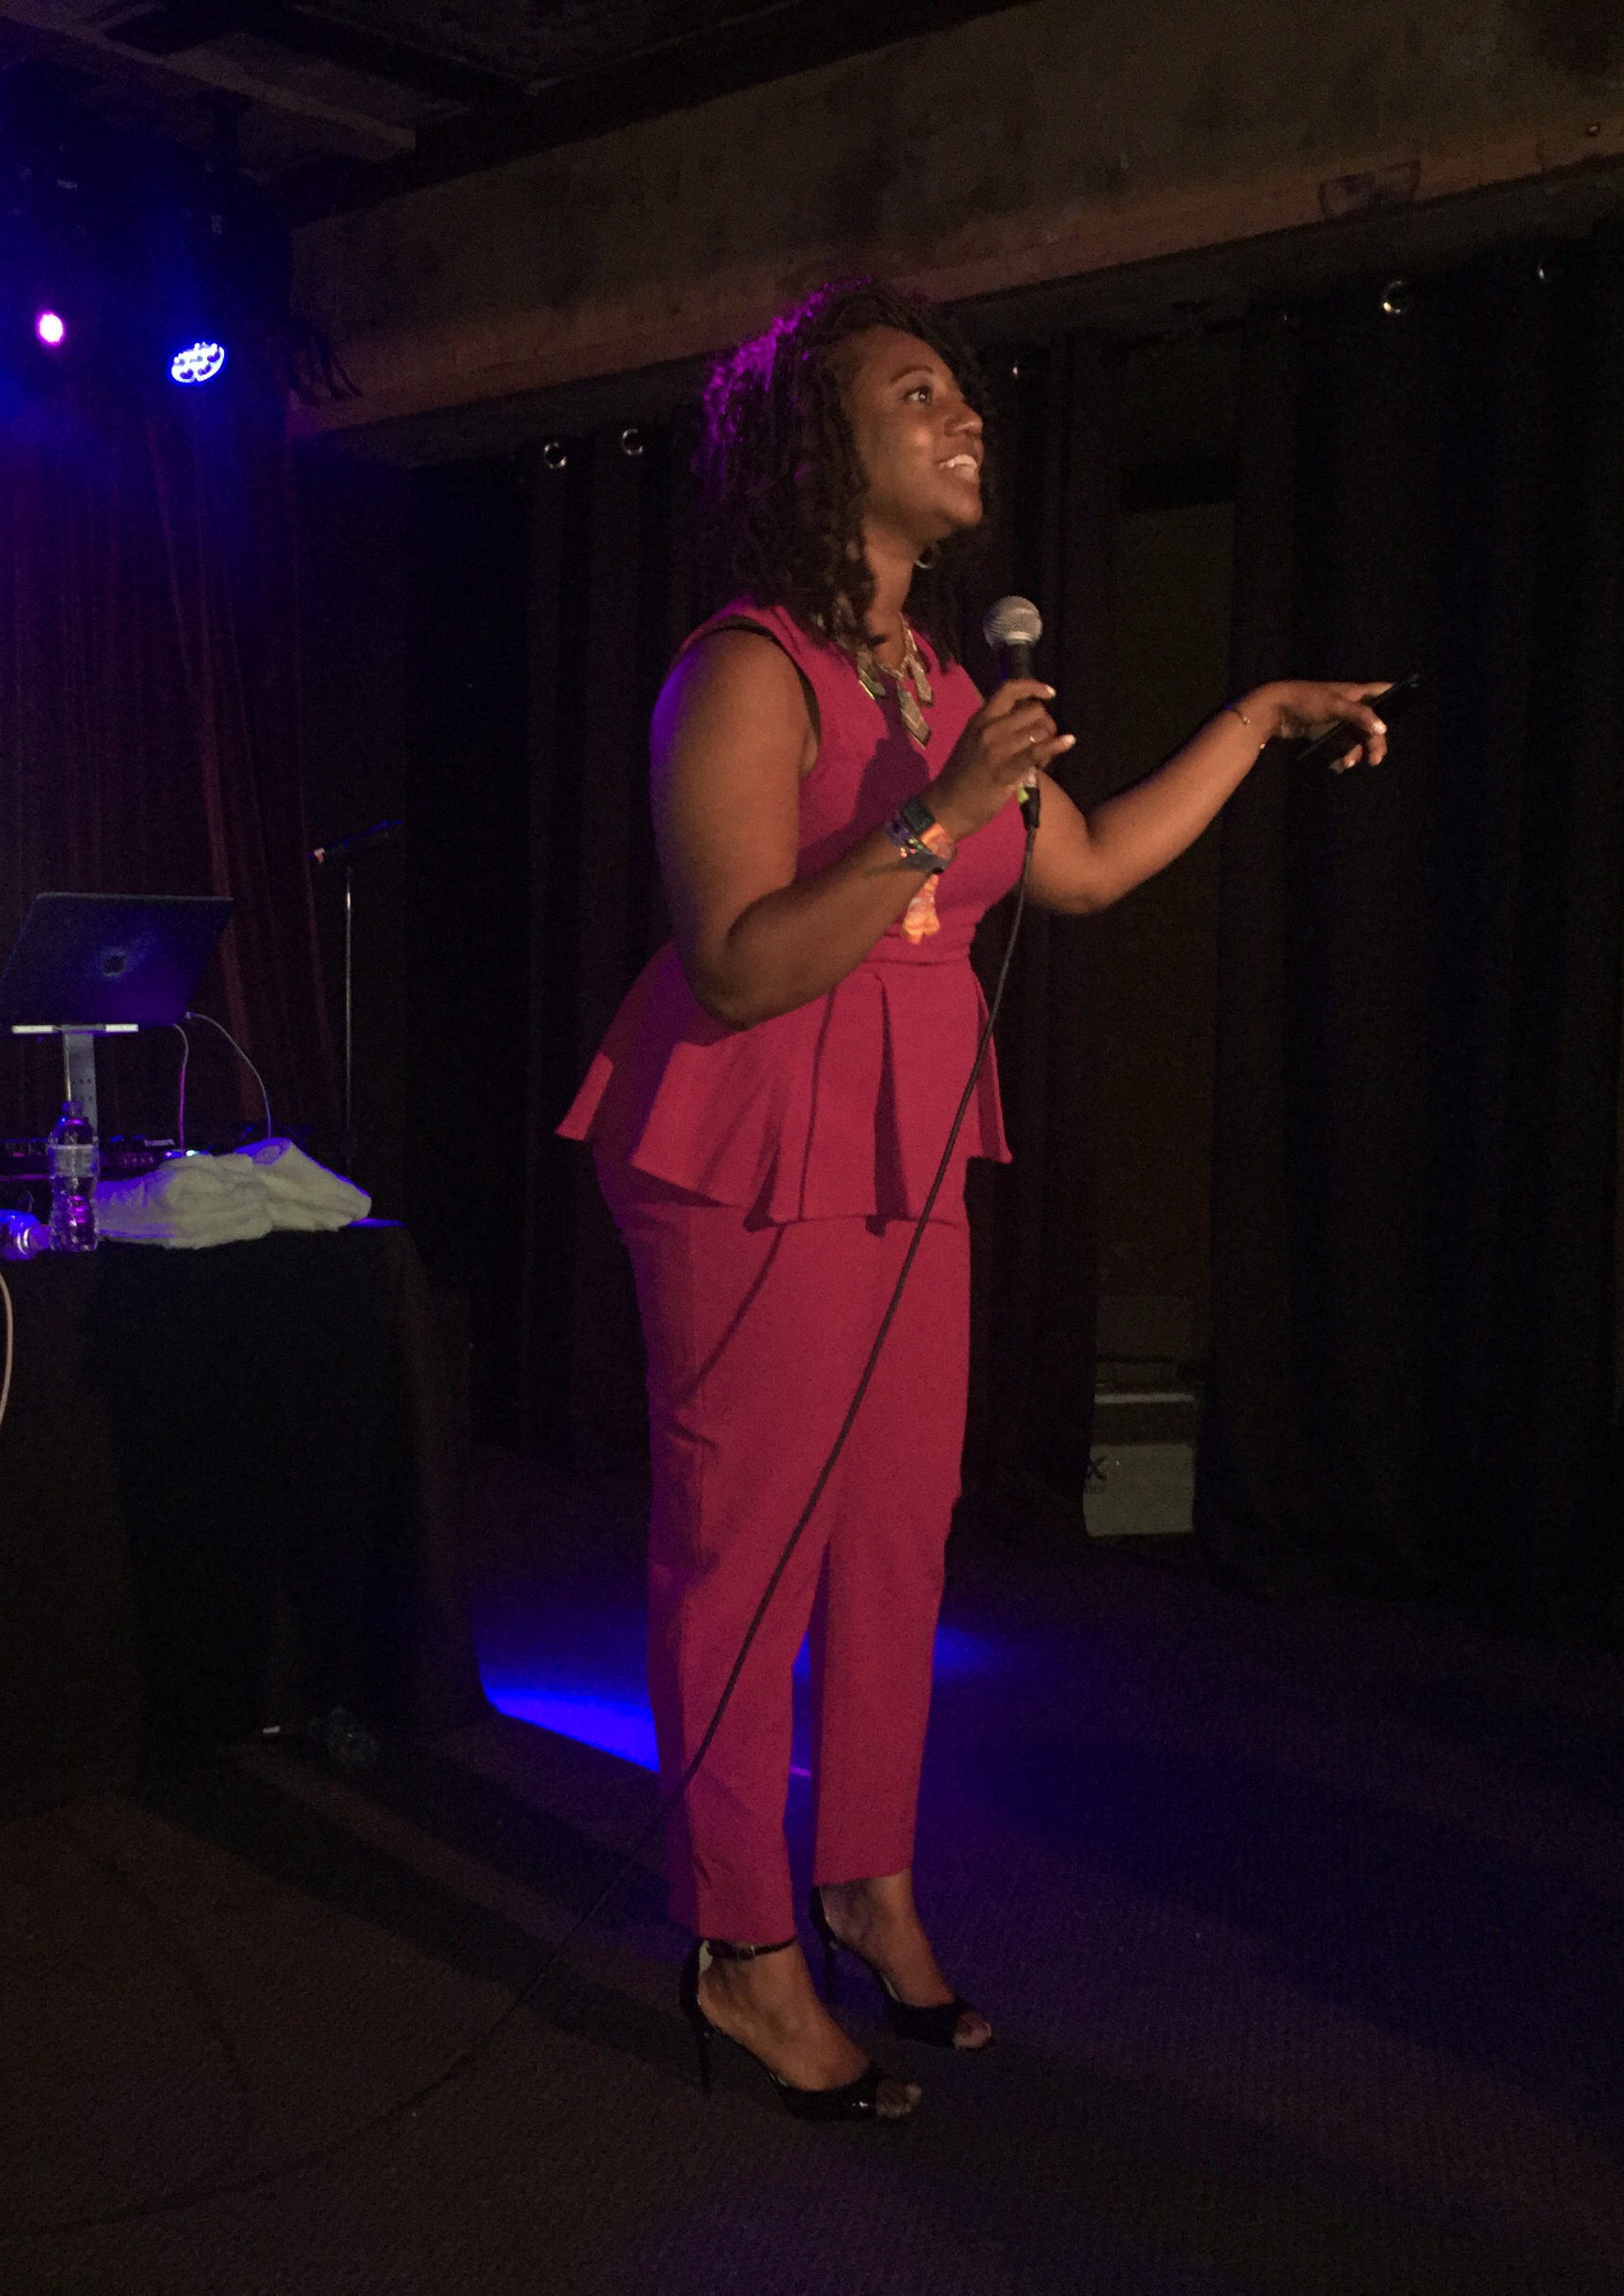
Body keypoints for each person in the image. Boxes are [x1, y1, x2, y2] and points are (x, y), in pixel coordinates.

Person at [558, 280, 1388, 2122]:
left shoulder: (939, 679)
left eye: (964, 396)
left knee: (894, 1534)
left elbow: (1076, 868)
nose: (966, 420)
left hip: (906, 1135)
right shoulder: (744, 668)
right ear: (819, 444)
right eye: (918, 395)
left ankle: (864, 1876)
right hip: (749, 1137)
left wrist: (1253, 718)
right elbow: (739, 963)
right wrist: (934, 815)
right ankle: (740, 1945)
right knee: (747, 1548)